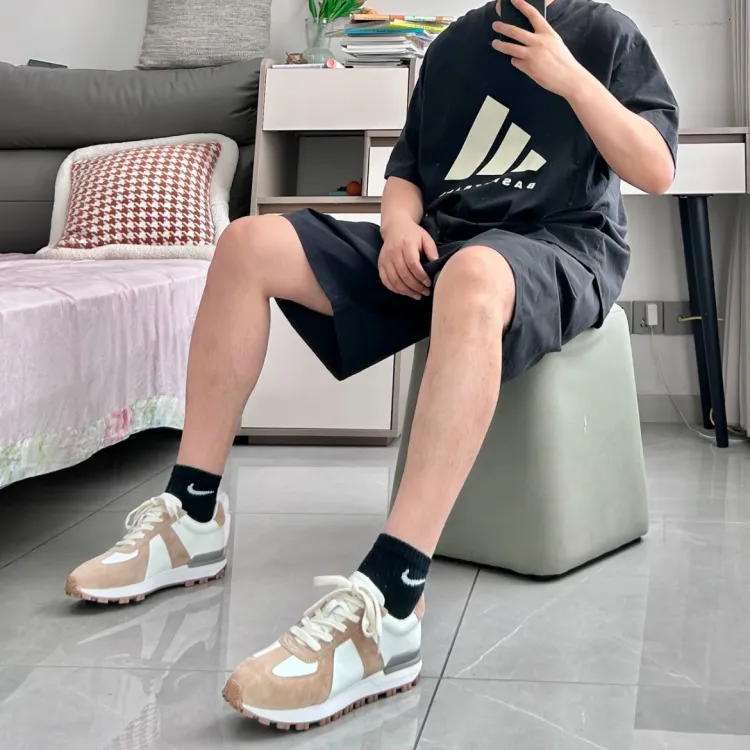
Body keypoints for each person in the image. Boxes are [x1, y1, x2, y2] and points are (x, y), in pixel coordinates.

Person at [66, 0, 678, 730]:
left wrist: (570, 78)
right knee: (248, 245)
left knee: (474, 275)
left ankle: (392, 598)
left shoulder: (607, 35)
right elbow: (407, 174)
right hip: (440, 250)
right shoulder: (453, 47)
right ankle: (192, 516)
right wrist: (395, 227)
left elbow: (656, 168)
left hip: (559, 250)